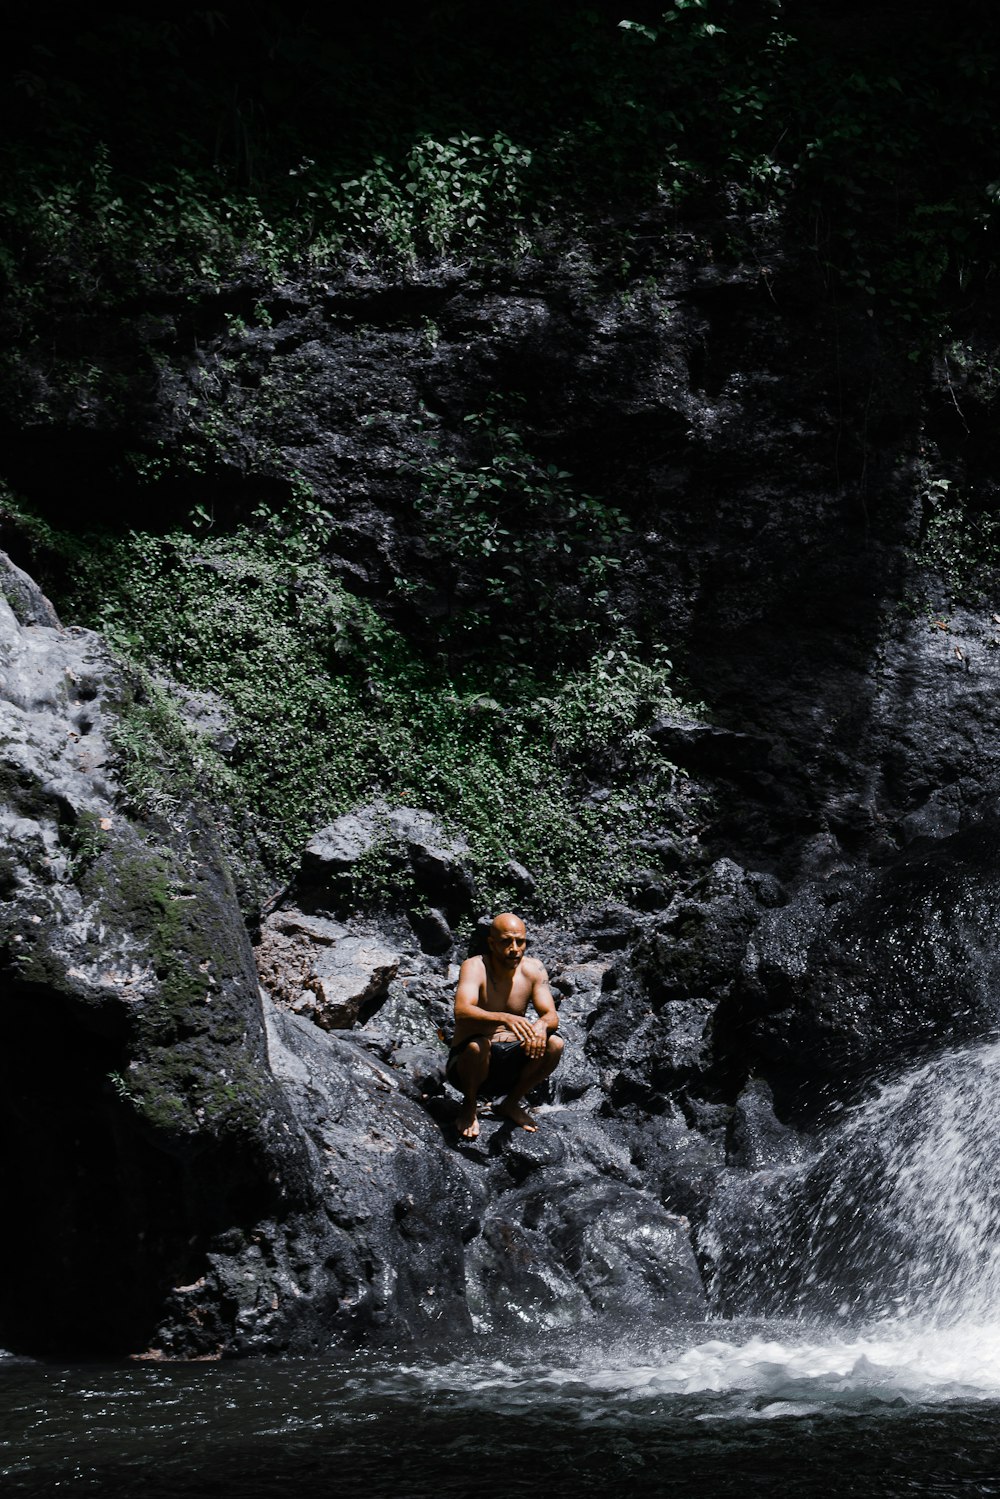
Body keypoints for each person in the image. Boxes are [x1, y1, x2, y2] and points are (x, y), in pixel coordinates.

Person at [446, 912, 563, 1138]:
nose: (515, 948)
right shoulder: (475, 966)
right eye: (506, 941)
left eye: (520, 941)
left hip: (509, 1066)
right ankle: (469, 1106)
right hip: (468, 1067)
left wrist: (540, 1025)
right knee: (477, 1046)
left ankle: (510, 1103)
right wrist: (505, 1017)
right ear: (492, 943)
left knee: (555, 1044)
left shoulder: (534, 969)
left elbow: (551, 1015)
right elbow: (461, 1011)